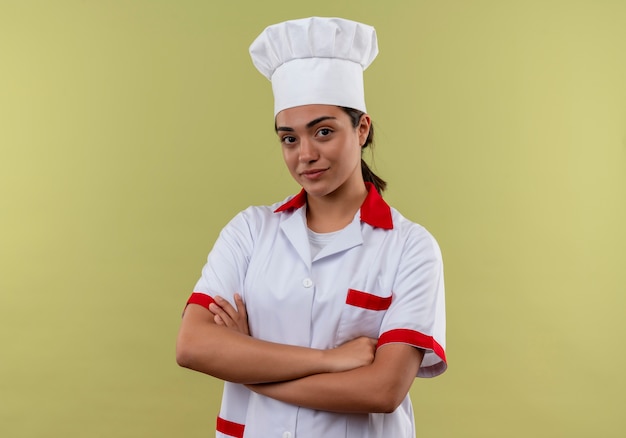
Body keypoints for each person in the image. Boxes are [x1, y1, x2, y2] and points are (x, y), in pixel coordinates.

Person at [176, 17, 447, 438]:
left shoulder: (410, 247)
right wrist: (331, 360)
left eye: (323, 132)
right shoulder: (249, 231)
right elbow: (193, 346)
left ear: (362, 129)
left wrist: (245, 360)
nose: (305, 155)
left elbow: (382, 389)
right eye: (289, 138)